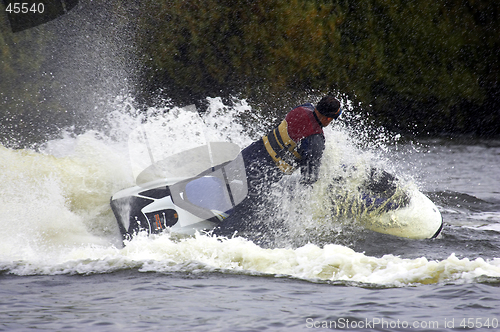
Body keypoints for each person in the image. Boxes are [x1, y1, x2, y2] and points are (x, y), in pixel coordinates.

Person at [212, 95, 342, 239]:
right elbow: (309, 178)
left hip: (250, 153)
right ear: (329, 119)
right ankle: (214, 239)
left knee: (221, 174)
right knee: (246, 215)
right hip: (260, 175)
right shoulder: (315, 140)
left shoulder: (303, 108)